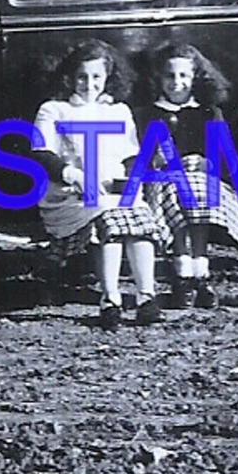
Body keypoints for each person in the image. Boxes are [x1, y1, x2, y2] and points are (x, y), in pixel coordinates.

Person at [33, 40, 168, 330]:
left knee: (139, 217)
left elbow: (131, 154)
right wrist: (75, 175)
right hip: (70, 193)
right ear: (70, 78)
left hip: (112, 189)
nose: (89, 84)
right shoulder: (54, 110)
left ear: (108, 77)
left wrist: (132, 180)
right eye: (82, 77)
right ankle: (110, 299)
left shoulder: (118, 111)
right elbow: (41, 153)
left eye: (96, 77)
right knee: (110, 218)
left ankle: (146, 298)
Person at [137, 42, 238, 309]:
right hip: (163, 181)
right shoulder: (150, 114)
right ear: (159, 78)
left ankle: (200, 277)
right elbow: (141, 156)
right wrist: (156, 159)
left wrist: (205, 163)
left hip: (200, 179)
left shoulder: (208, 113)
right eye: (170, 76)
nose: (177, 83)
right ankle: (182, 279)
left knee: (199, 193)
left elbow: (224, 155)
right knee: (179, 193)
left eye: (184, 76)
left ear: (196, 78)